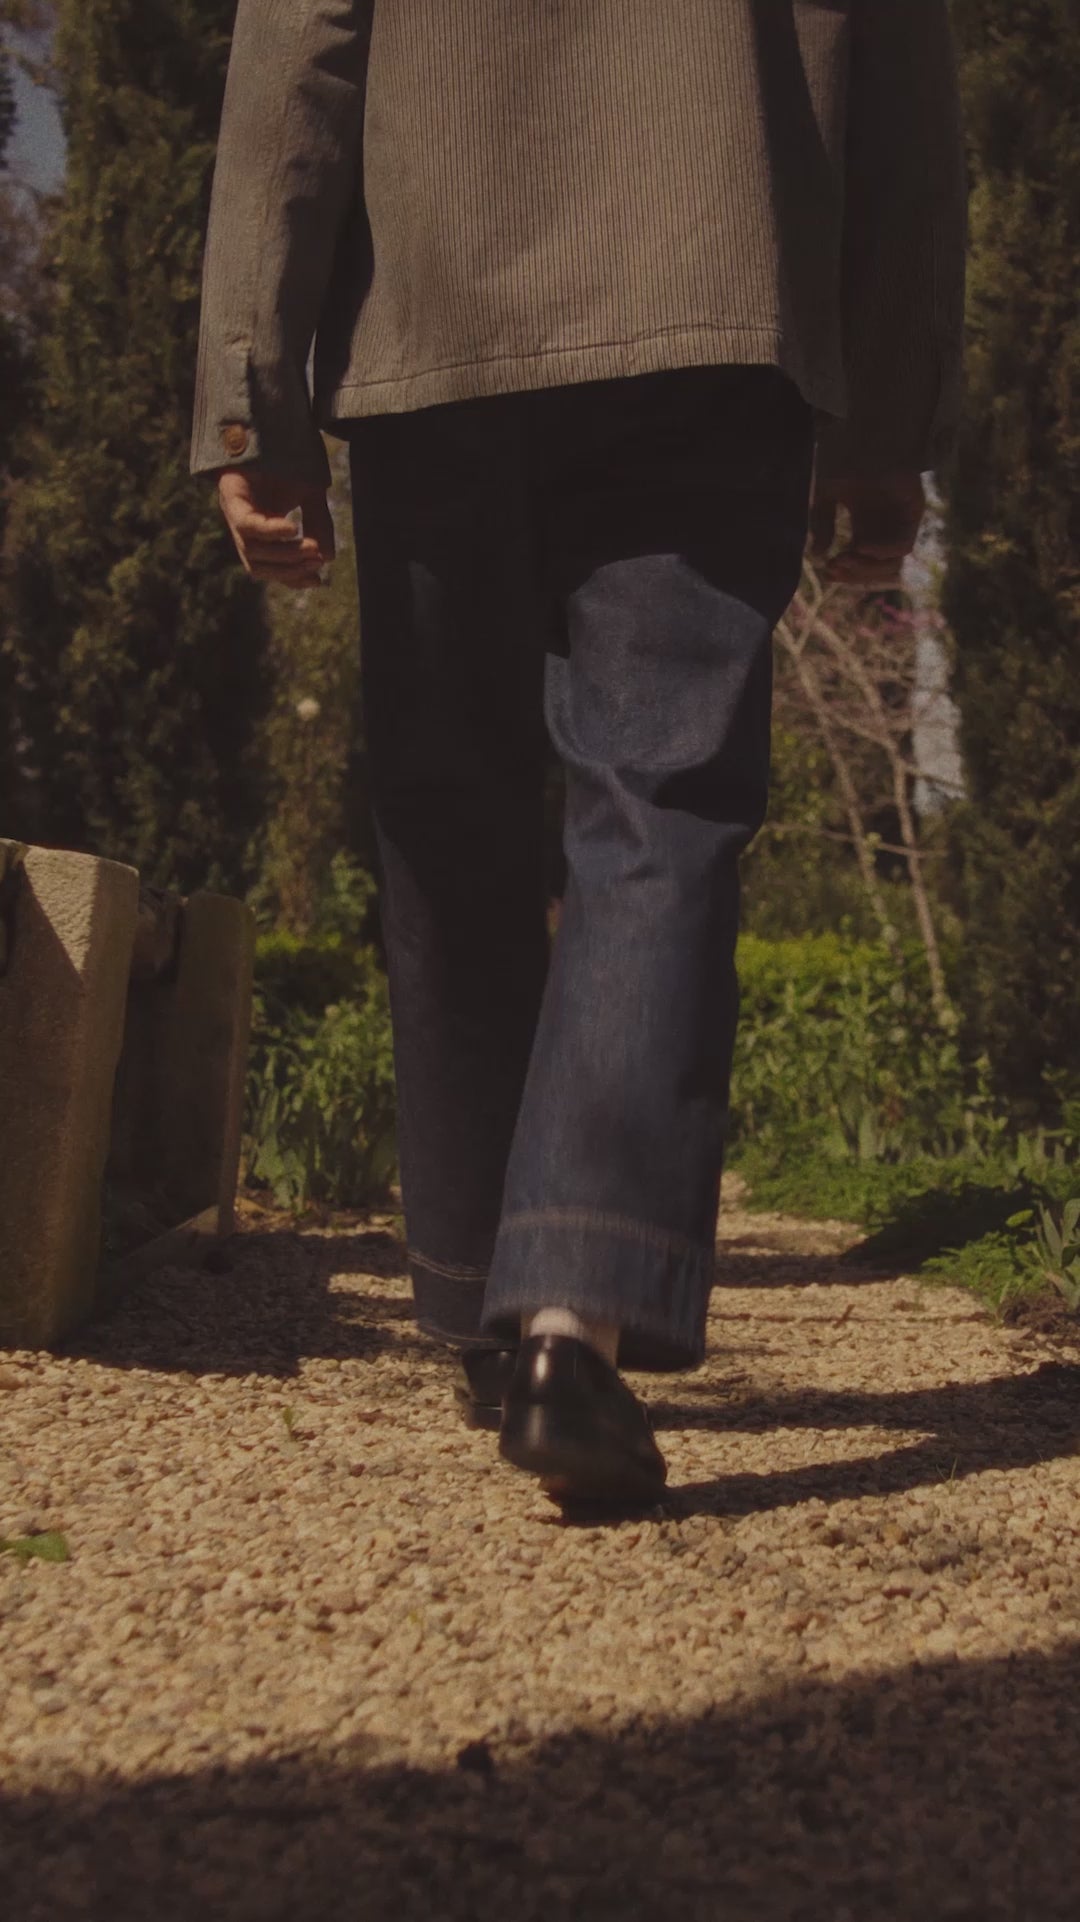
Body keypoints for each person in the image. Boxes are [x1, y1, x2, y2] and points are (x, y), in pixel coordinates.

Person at [191, 2, 966, 1507]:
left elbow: (301, 31)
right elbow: (905, 86)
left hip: (438, 297)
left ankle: (488, 1288)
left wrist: (253, 380)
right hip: (715, 284)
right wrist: (884, 415)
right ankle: (567, 1315)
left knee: (449, 799)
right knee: (660, 796)